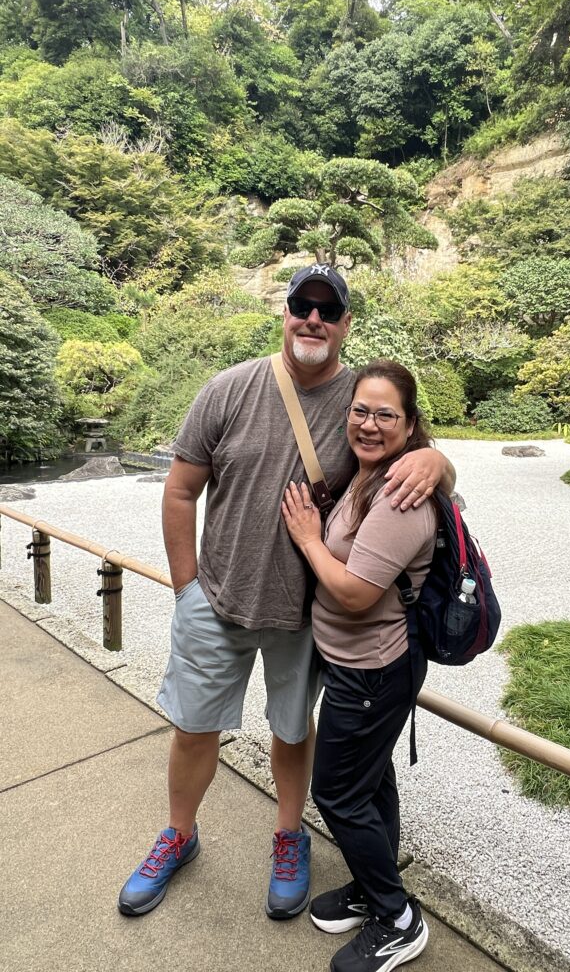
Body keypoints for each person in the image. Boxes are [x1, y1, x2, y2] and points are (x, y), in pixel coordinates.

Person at [118, 265, 454, 921]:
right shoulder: (229, 389)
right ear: (285, 311)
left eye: (329, 311)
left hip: (304, 615)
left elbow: (415, 450)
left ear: (346, 324)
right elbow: (181, 489)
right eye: (303, 305)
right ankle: (179, 835)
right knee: (192, 728)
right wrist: (186, 588)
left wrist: (438, 460)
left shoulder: (360, 402)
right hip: (214, 599)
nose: (314, 320)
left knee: (292, 729)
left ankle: (289, 835)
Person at [281, 359, 436, 972]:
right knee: (370, 781)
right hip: (357, 667)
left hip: (372, 671)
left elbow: (354, 594)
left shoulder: (399, 494)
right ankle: (377, 887)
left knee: (337, 793)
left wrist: (309, 538)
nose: (369, 425)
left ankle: (398, 919)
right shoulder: (371, 472)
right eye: (361, 411)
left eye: (386, 415)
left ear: (410, 423)